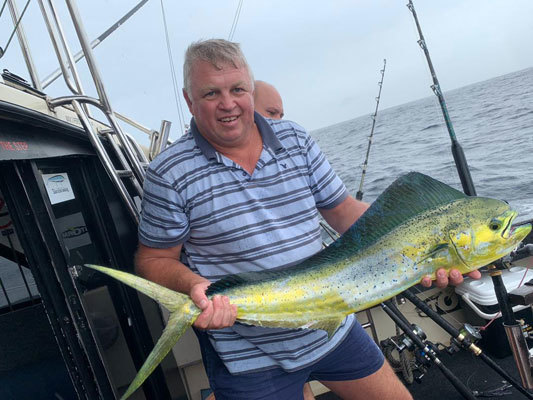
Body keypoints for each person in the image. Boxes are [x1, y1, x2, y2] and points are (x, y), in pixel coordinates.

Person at [136, 38, 477, 400]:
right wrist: (195, 287)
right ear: (189, 100)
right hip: (249, 353)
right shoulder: (168, 173)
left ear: (250, 89)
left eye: (237, 89)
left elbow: (344, 211)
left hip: (330, 323)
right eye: (211, 93)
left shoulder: (295, 138)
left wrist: (426, 246)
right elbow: (152, 259)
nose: (228, 103)